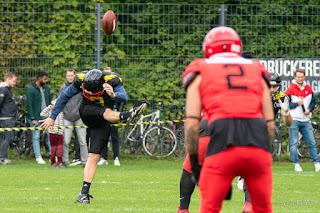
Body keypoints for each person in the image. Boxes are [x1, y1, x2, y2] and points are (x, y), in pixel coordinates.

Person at [182, 26, 274, 212]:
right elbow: (270, 124)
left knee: (209, 208)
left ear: (208, 48)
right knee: (263, 208)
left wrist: (194, 162)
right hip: (256, 141)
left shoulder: (199, 69)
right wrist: (263, 155)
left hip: (221, 142)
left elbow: (192, 123)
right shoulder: (257, 68)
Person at [40, 69, 146, 204]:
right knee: (103, 111)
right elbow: (63, 97)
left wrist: (113, 94)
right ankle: (126, 116)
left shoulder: (112, 80)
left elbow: (123, 96)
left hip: (103, 120)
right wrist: (52, 117)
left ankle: (83, 193)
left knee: (94, 156)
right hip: (87, 112)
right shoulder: (80, 80)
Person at [239, 72, 293, 213]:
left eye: (275, 87)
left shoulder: (281, 98)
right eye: (270, 86)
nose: (272, 89)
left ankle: (248, 199)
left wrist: (286, 112)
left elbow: (288, 123)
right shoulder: (255, 94)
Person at [285, 69, 320, 172]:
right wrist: (297, 104)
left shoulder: (308, 89)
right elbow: (286, 105)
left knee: (311, 142)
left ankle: (317, 164)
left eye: (302, 77)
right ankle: (296, 164)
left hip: (306, 121)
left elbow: (313, 102)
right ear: (295, 77)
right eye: (298, 77)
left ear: (304, 77)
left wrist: (309, 109)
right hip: (294, 120)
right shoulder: (290, 89)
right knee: (294, 143)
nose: (300, 78)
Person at [59, 68, 88, 167]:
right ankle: (64, 162)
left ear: (75, 76)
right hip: (67, 117)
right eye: (68, 75)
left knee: (83, 141)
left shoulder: (80, 87)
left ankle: (85, 162)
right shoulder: (62, 88)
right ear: (66, 76)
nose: (70, 77)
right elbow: (60, 102)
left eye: (72, 76)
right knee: (65, 141)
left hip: (79, 117)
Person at [97, 67, 123, 166]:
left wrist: (119, 113)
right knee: (103, 137)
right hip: (104, 116)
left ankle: (116, 157)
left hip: (114, 116)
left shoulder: (116, 87)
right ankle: (104, 158)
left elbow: (121, 100)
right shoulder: (100, 88)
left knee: (115, 137)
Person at [26, 71, 52, 164]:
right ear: (39, 78)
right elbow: (29, 105)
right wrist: (32, 118)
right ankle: (38, 157)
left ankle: (52, 156)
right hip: (36, 117)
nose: (46, 80)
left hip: (47, 117)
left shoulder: (47, 88)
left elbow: (49, 101)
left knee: (51, 136)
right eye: (44, 79)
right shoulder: (31, 89)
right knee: (36, 136)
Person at [40, 99, 65, 168]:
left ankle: (59, 163)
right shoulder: (50, 113)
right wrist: (48, 108)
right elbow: (42, 114)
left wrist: (62, 131)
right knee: (53, 149)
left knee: (60, 149)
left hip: (60, 133)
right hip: (52, 133)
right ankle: (53, 163)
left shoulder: (61, 112)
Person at [0, 72, 17, 165]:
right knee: (7, 138)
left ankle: (2, 157)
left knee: (4, 138)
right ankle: (2, 158)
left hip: (8, 117)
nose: (15, 83)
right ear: (8, 79)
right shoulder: (4, 90)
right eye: (14, 81)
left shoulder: (7, 90)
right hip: (6, 118)